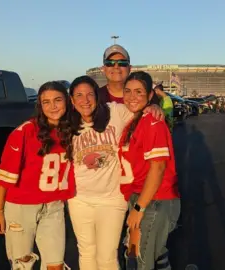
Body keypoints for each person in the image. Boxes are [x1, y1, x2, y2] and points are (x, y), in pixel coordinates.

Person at [66, 75, 164, 270]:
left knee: (107, 257)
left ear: (97, 96)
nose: (85, 100)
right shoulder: (66, 124)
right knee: (86, 252)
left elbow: (138, 107)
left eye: (89, 94)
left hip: (112, 199)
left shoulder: (115, 112)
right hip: (79, 199)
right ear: (72, 100)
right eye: (78, 95)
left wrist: (154, 106)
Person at [0, 81, 74, 270]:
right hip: (22, 206)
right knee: (23, 265)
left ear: (67, 102)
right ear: (40, 105)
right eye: (46, 102)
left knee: (56, 265)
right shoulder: (25, 131)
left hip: (54, 205)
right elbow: (3, 177)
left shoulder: (71, 129)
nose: (52, 106)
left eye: (57, 100)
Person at [119, 71, 180, 270]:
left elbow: (159, 167)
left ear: (149, 95)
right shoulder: (136, 120)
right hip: (141, 195)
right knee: (147, 254)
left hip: (155, 199)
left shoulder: (152, 122)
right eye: (127, 91)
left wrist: (139, 208)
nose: (132, 96)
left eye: (139, 91)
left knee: (142, 261)